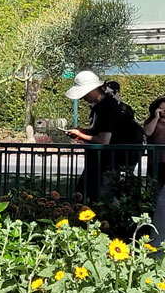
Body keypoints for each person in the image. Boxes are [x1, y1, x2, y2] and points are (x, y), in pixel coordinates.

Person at [65, 71, 142, 201]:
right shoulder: (103, 106)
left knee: (99, 199)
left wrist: (80, 134)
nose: (83, 97)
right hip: (103, 162)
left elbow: (103, 140)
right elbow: (100, 133)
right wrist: (82, 132)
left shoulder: (108, 108)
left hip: (109, 164)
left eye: (85, 93)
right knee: (86, 196)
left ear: (95, 89)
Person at [145, 97, 165, 247]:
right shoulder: (151, 121)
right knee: (155, 195)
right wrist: (156, 117)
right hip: (156, 163)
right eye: (162, 108)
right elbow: (148, 132)